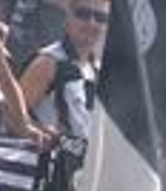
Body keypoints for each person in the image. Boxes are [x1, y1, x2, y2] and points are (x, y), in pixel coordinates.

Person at [18, 0, 104, 145]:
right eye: (83, 14)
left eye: (100, 18)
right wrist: (41, 132)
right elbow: (10, 115)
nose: (92, 23)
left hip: (80, 166)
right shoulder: (47, 63)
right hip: (41, 163)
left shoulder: (97, 69)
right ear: (68, 17)